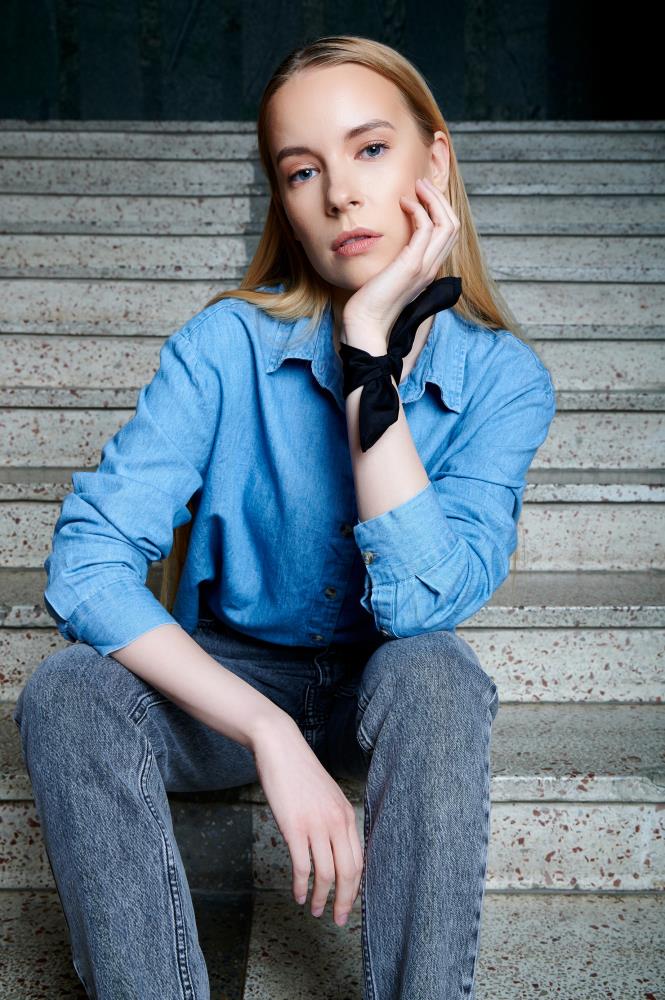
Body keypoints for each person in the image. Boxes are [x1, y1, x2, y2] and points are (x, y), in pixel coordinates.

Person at [13, 34, 556, 1000]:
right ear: (284, 200)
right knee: (67, 690)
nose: (339, 194)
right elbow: (88, 565)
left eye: (370, 150)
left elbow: (424, 600)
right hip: (226, 683)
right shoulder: (225, 345)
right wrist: (268, 731)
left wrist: (365, 358)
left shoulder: (502, 378)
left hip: (377, 695)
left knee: (437, 672)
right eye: (302, 170)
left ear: (435, 161)